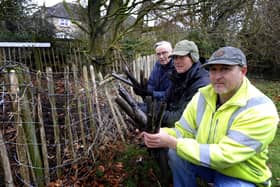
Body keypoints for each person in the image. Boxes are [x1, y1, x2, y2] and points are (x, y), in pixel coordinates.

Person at [139, 46, 279, 187]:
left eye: (225, 69)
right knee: (176, 154)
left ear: (243, 71)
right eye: (213, 69)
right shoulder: (202, 96)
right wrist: (160, 133)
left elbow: (225, 155)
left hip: (241, 173)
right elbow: (183, 131)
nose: (217, 76)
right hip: (208, 163)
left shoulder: (260, 109)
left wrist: (173, 142)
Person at [161, 39, 210, 127]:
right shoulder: (177, 77)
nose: (177, 61)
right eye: (175, 57)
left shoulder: (202, 84)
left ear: (193, 57)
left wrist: (151, 112)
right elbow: (164, 102)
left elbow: (180, 119)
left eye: (181, 57)